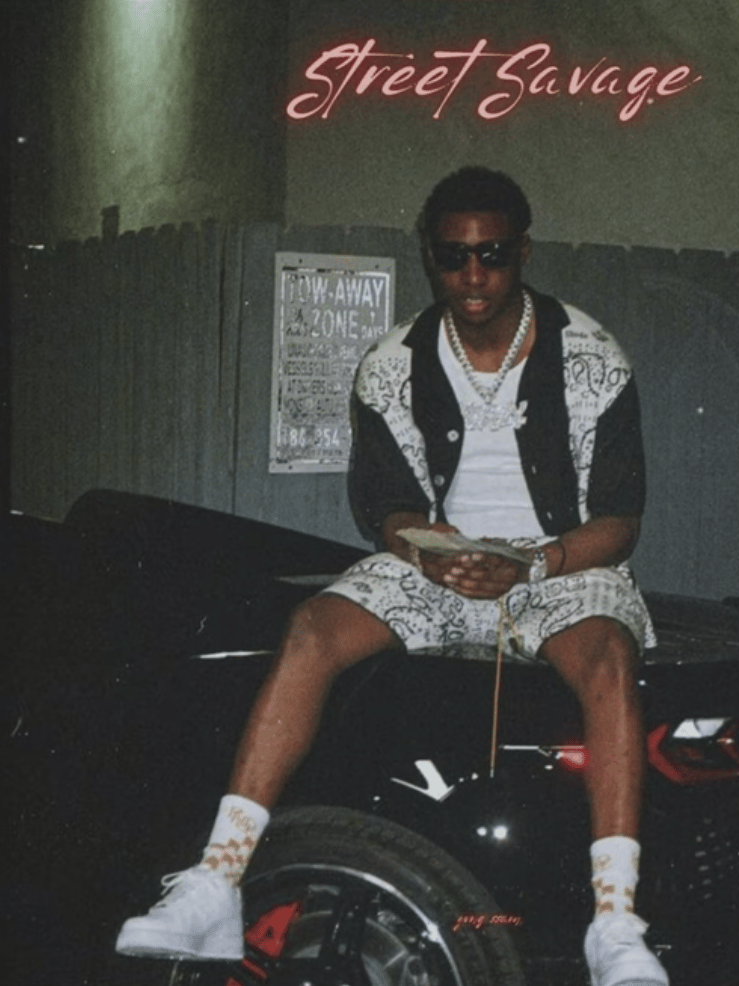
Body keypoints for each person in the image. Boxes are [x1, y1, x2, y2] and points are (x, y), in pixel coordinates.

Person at [116, 166, 669, 986]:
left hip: (554, 566)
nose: (472, 275)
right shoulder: (392, 363)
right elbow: (383, 504)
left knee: (610, 660)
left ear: (522, 252)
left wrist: (532, 562)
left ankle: (615, 926)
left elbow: (620, 521)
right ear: (429, 256)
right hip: (437, 561)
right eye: (453, 256)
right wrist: (425, 547)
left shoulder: (590, 356)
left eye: (491, 255)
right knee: (312, 628)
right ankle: (216, 884)